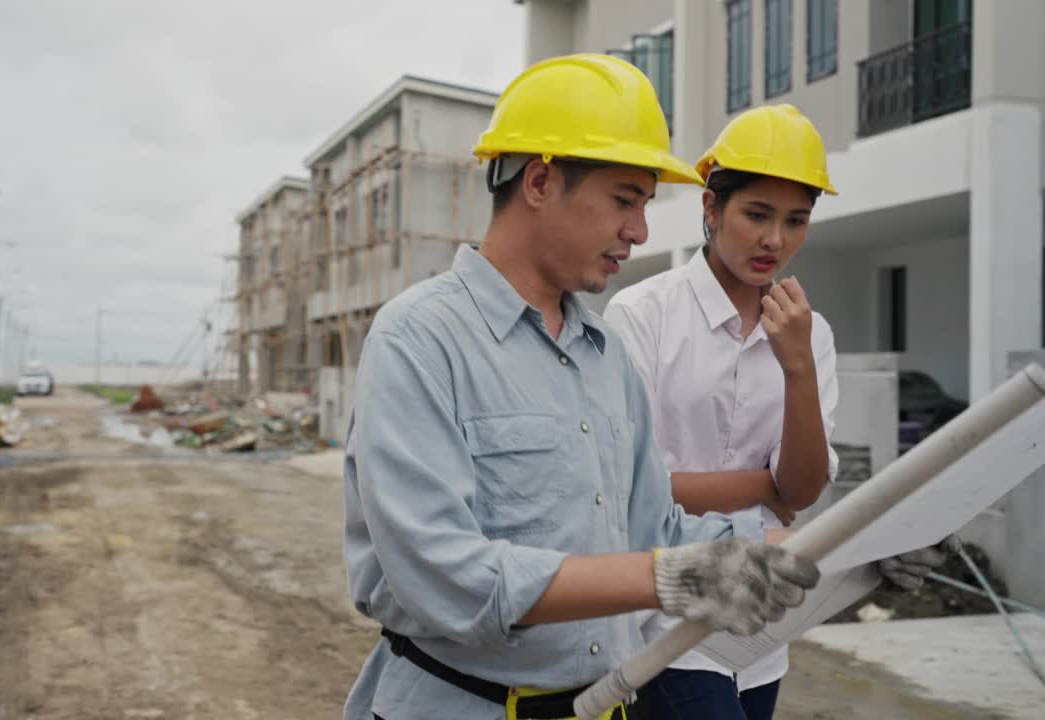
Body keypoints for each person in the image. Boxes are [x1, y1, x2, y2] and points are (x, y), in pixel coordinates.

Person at [340, 55, 824, 720]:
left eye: (646, 205)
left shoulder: (605, 357)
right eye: (625, 200)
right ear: (540, 181)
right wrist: (669, 578)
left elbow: (657, 526)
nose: (640, 230)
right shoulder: (420, 340)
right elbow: (442, 574)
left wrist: (850, 547)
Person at [603, 104, 952, 720]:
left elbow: (805, 487)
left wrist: (797, 366)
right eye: (756, 214)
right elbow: (633, 495)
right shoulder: (641, 318)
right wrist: (764, 488)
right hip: (667, 619)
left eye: (796, 220)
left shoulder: (809, 334)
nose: (775, 240)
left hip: (763, 625)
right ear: (711, 209)